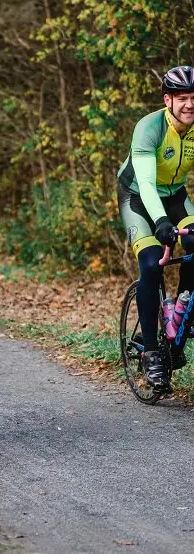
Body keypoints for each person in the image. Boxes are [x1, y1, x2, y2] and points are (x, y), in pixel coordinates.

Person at [118, 65, 194, 390]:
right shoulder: (149, 128)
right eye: (182, 98)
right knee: (151, 264)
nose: (189, 104)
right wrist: (161, 221)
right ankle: (151, 352)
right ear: (168, 100)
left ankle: (180, 311)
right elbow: (147, 184)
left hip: (176, 196)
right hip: (136, 197)